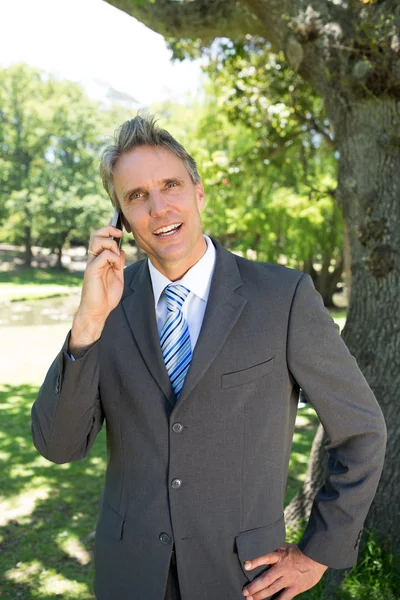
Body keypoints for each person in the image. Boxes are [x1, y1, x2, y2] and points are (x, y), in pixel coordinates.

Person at [31, 115, 386, 600]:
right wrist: (88, 325)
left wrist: (318, 552)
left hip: (242, 578)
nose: (159, 208)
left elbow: (362, 430)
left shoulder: (283, 298)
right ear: (120, 220)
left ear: (198, 192)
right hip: (128, 578)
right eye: (136, 196)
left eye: (171, 185)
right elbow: (59, 446)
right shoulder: (105, 303)